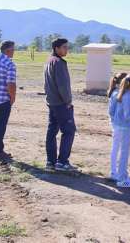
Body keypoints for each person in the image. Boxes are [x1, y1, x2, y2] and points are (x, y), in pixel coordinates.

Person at [44, 38, 77, 172]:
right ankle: (62, 162)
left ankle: (50, 162)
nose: (66, 49)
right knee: (69, 131)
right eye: (64, 47)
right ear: (56, 48)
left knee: (52, 132)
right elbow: (63, 86)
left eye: (67, 47)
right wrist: (68, 101)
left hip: (52, 102)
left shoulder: (49, 61)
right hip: (61, 103)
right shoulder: (58, 63)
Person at [108, 73, 130, 188]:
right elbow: (128, 115)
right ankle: (122, 178)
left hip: (118, 126)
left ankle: (119, 174)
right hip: (125, 127)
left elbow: (113, 112)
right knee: (124, 153)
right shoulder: (127, 96)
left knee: (119, 150)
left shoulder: (121, 94)